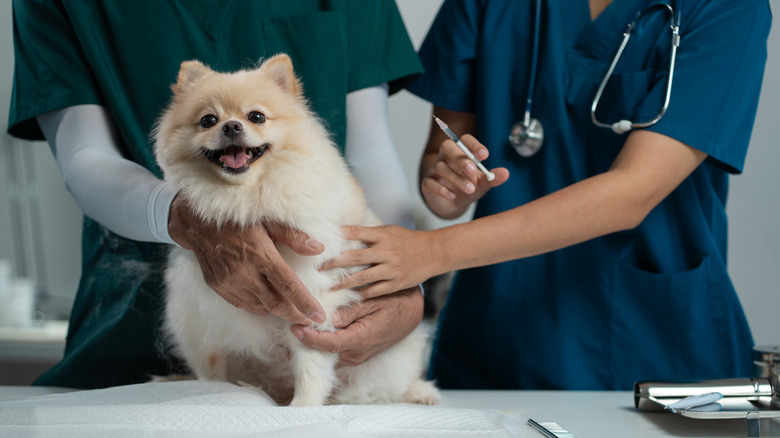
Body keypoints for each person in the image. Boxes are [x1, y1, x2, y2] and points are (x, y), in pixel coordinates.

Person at [318, 0, 772, 390]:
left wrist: (431, 250)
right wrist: (449, 184)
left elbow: (633, 192)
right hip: (498, 336)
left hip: (652, 342)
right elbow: (445, 154)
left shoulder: (726, 8)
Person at [7, 0, 424, 388]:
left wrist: (404, 282)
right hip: (131, 334)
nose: (231, 127)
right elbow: (84, 153)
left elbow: (370, 155)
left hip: (334, 339)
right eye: (210, 119)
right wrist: (183, 218)